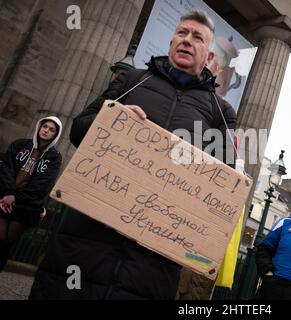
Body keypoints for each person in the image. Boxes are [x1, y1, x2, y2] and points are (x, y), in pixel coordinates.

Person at [29, 9, 237, 300]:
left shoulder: (221, 112)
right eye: (181, 33)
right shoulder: (131, 80)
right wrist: (113, 119)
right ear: (170, 42)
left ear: (209, 55)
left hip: (152, 263)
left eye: (197, 37)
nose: (187, 40)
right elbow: (79, 129)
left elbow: (223, 180)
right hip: (86, 240)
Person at [0, 116, 62, 271]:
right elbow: (6, 168)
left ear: (56, 134)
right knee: (0, 238)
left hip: (26, 207)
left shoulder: (54, 157)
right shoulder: (19, 145)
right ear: (39, 127)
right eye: (45, 127)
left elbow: (42, 185)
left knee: (8, 242)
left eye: (51, 130)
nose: (46, 131)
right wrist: (8, 193)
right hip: (4, 200)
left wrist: (14, 197)